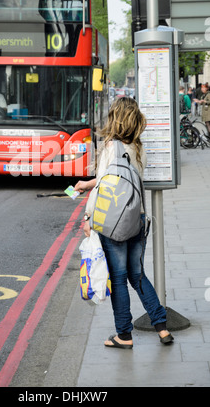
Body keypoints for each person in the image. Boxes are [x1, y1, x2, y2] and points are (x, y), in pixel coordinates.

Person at [75, 97, 174, 349]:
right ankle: (162, 328)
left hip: (114, 222)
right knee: (138, 275)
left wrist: (88, 217)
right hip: (137, 218)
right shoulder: (140, 148)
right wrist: (89, 182)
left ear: (115, 119)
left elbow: (104, 187)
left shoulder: (110, 147)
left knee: (118, 278)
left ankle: (124, 335)